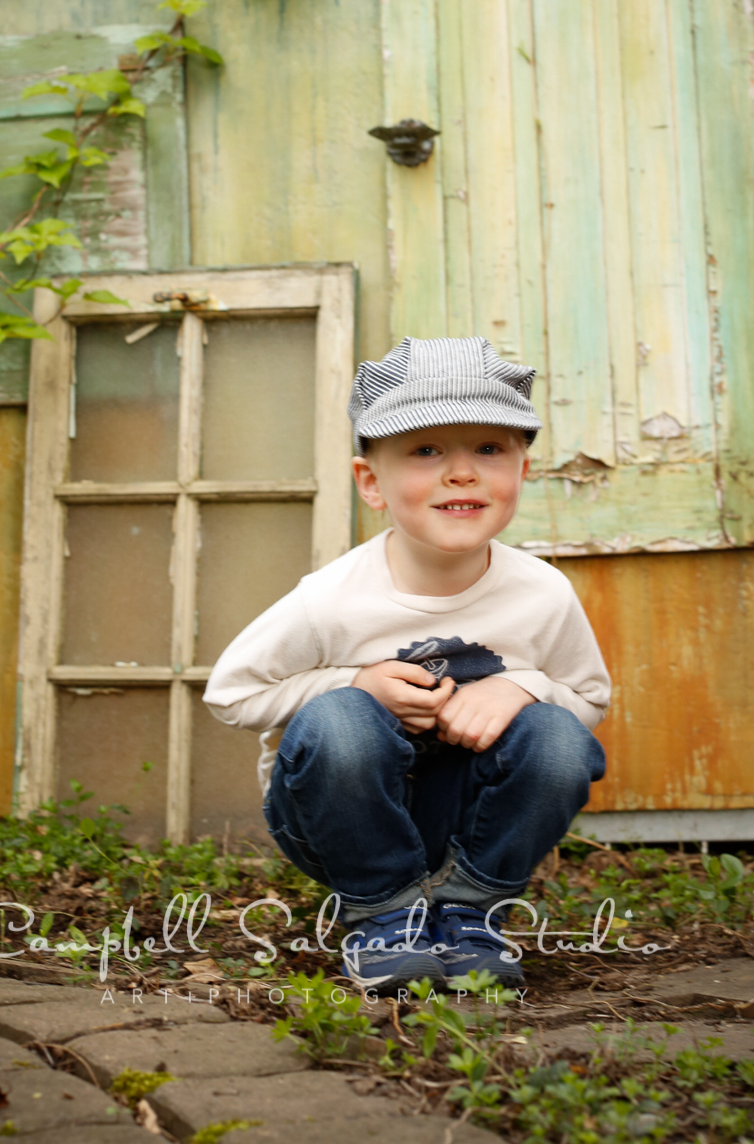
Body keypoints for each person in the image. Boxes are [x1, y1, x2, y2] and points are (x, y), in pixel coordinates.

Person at [203, 335, 611, 992]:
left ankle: (468, 914)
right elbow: (230, 693)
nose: (461, 472)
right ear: (371, 481)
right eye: (425, 451)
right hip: (337, 818)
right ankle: (382, 916)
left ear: (521, 471)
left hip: (466, 822)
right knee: (341, 719)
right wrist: (355, 685)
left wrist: (523, 687)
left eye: (488, 448)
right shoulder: (332, 597)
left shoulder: (540, 592)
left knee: (558, 737)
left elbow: (588, 697)